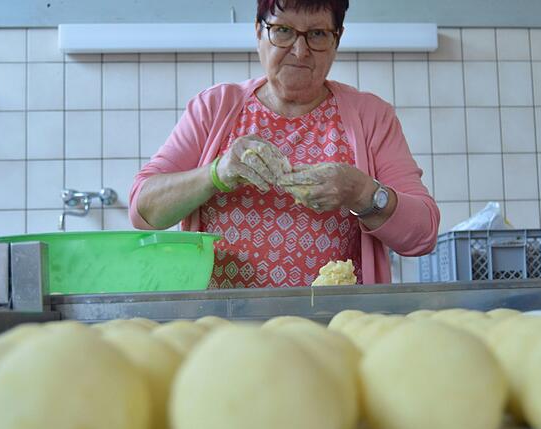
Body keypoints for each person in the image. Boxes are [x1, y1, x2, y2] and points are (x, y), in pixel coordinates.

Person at [129, 0, 440, 288]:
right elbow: (144, 211)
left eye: (317, 34)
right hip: (222, 326)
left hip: (336, 326)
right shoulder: (214, 108)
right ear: (258, 31)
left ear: (337, 39)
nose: (300, 51)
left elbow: (422, 235)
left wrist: (361, 192)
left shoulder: (371, 116)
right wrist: (215, 174)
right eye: (283, 31)